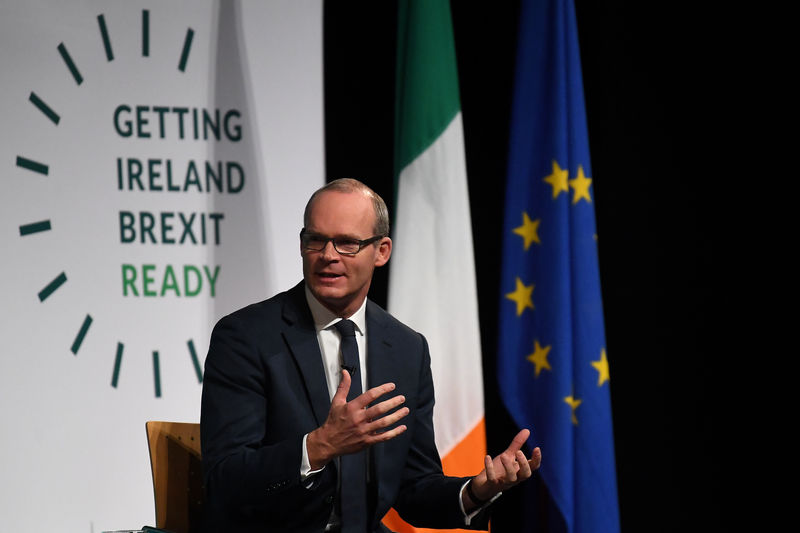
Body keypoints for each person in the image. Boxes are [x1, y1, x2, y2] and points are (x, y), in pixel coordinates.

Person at [201, 179, 542, 532]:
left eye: (346, 243)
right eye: (315, 240)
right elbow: (224, 479)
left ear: (381, 251)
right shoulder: (246, 336)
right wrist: (319, 446)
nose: (327, 255)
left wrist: (475, 491)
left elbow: (413, 488)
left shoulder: (407, 348)